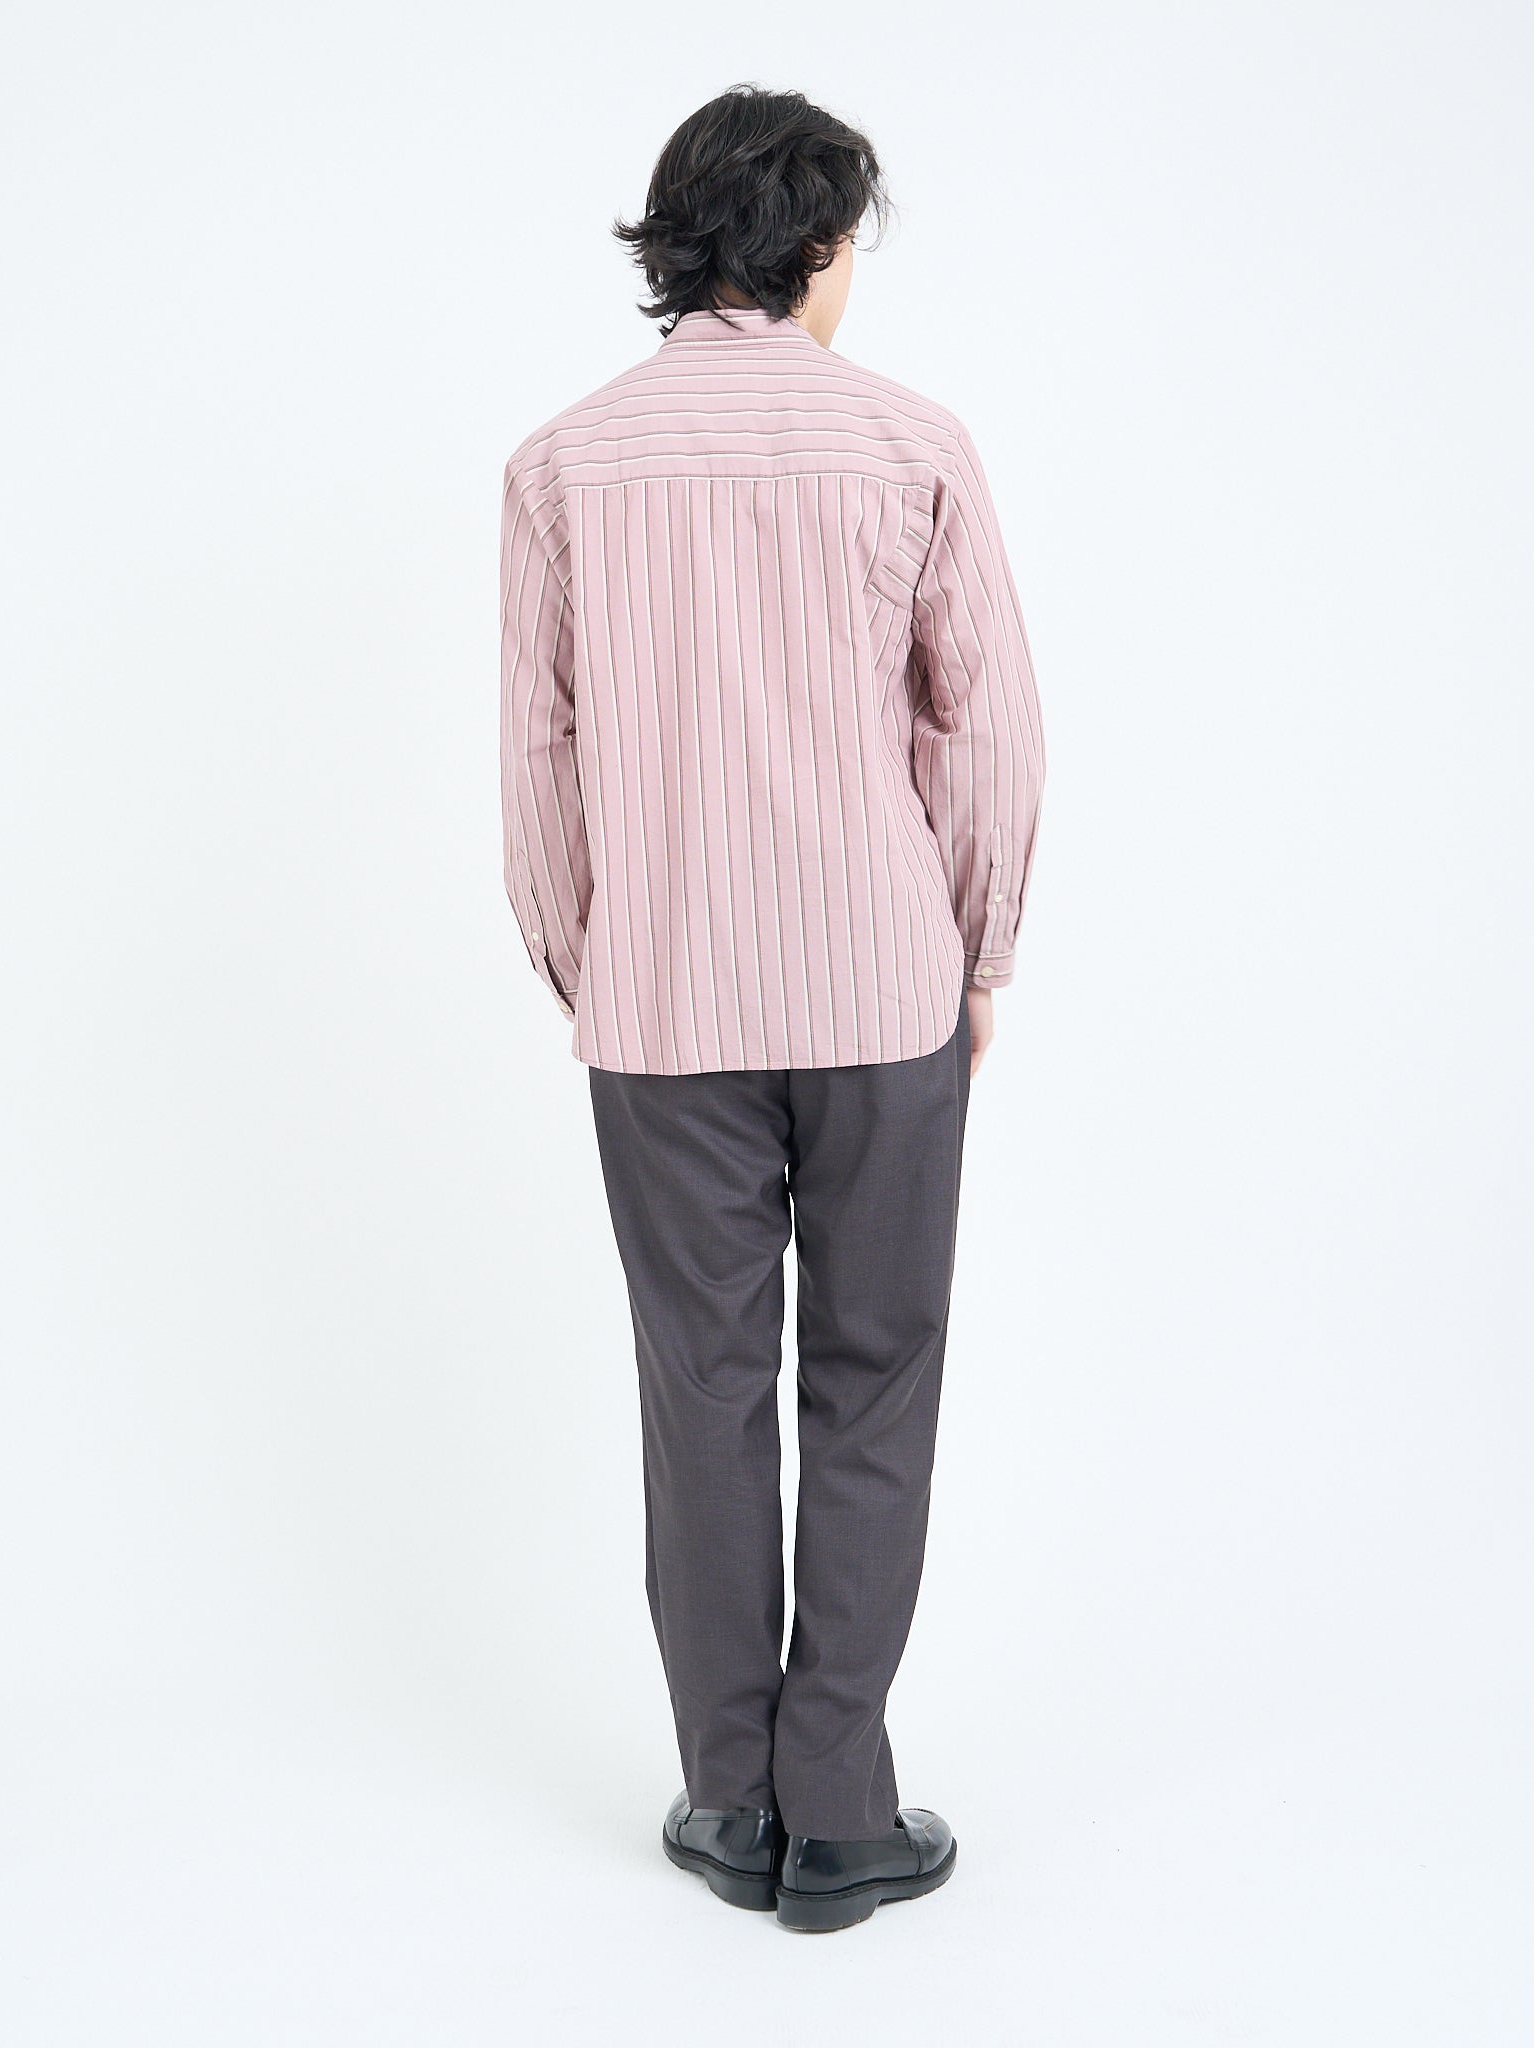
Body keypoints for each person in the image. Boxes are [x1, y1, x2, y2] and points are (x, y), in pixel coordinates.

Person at [498, 83, 1045, 1933]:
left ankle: (732, 1803)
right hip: (883, 986)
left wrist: (592, 959)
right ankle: (843, 1811)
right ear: (814, 245)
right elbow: (988, 732)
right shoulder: (913, 445)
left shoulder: (563, 465)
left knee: (701, 1387)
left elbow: (538, 755)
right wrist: (974, 953)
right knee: (874, 1380)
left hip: (661, 1006)